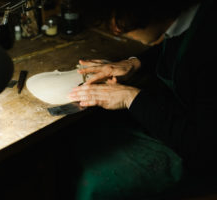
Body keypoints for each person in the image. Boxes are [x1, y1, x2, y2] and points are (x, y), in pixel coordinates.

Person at [58, 0, 217, 199]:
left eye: (117, 20)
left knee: (96, 182)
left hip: (199, 157)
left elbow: (205, 151)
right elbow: (176, 42)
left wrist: (131, 97)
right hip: (180, 121)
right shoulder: (188, 17)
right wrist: (135, 63)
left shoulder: (210, 39)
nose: (115, 30)